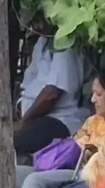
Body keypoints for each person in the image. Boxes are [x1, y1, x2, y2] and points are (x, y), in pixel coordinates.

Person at [15, 16, 89, 155]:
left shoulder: (65, 44)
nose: (36, 27)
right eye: (33, 23)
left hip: (60, 118)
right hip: (34, 117)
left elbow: (51, 94)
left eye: (39, 21)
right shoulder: (42, 42)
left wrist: (24, 122)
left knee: (16, 142)